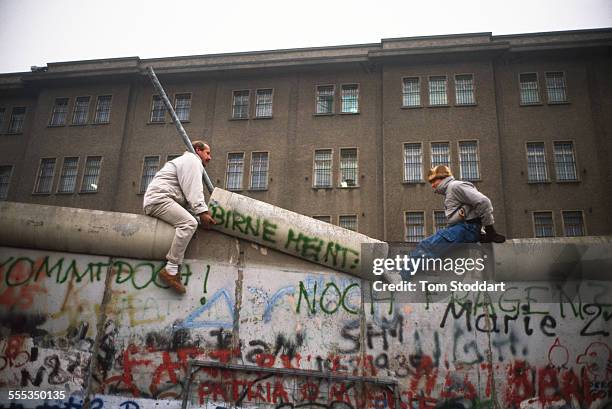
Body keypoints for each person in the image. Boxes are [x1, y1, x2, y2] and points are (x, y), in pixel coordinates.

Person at [401, 165, 505, 279]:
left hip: (465, 228)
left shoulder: (456, 186)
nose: (432, 185)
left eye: (433, 181)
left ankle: (401, 277)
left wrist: (490, 230)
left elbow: (483, 202)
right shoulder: (450, 191)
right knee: (431, 247)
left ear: (442, 178)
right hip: (465, 229)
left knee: (426, 247)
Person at [143, 140, 216, 294]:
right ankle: (170, 270)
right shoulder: (192, 161)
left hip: (161, 198)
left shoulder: (186, 161)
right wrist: (202, 213)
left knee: (192, 221)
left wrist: (200, 215)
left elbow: (188, 199)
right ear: (197, 150)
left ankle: (172, 269)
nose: (209, 158)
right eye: (207, 153)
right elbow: (194, 191)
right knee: (189, 224)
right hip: (160, 199)